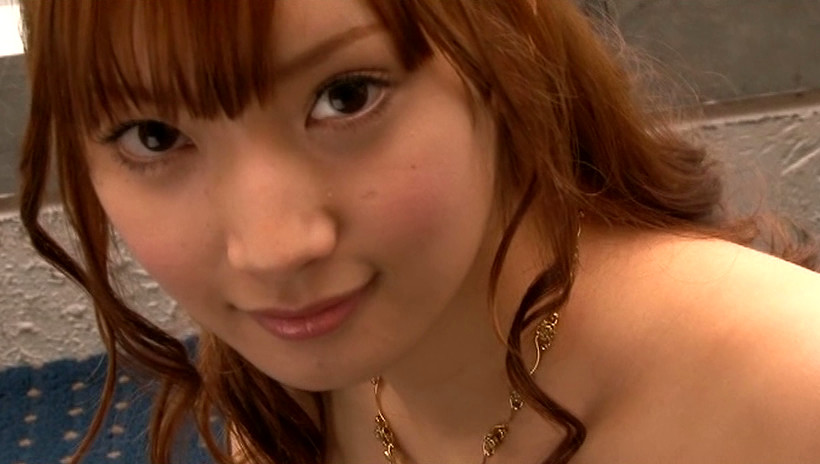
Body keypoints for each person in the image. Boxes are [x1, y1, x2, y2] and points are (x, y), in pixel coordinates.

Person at [16, 0, 820, 463]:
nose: (271, 249)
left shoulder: (793, 389)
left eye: (346, 96)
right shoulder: (287, 381)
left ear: (503, 50)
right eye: (155, 137)